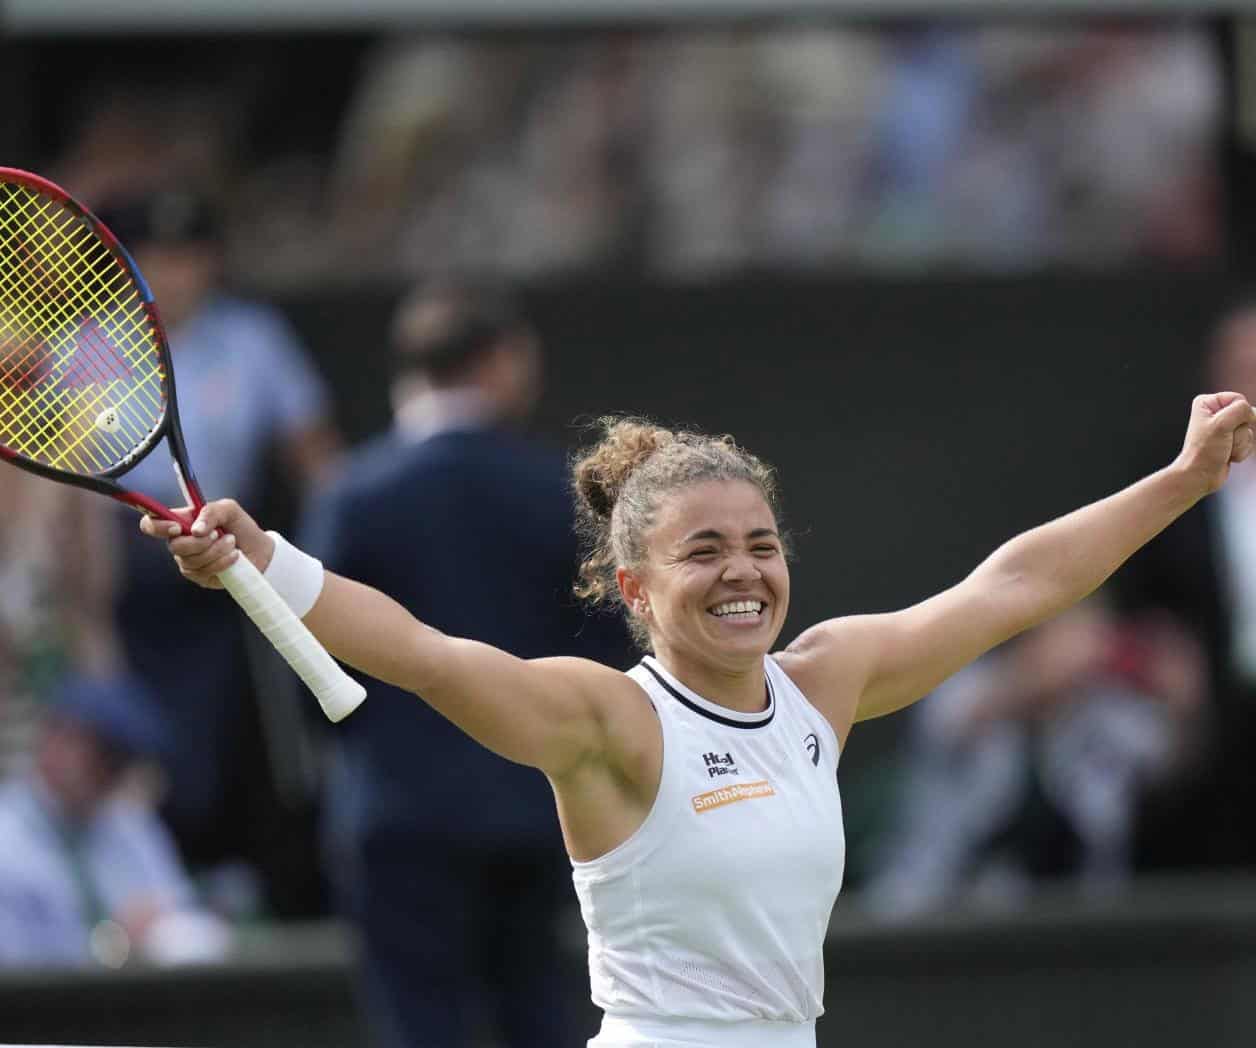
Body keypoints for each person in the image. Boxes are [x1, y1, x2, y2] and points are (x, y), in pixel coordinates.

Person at [140, 390, 1255, 1048]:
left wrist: (1180, 480)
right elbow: (424, 654)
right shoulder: (606, 722)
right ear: (632, 589)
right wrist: (262, 561)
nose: (742, 573)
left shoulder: (825, 682)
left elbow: (1009, 587)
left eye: (760, 545)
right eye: (703, 551)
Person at [298, 281, 632, 1048]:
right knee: (541, 1012)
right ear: (501, 362)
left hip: (397, 815)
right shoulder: (559, 493)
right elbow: (611, 652)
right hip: (540, 805)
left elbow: (306, 665)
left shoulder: (351, 494)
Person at [93, 185, 343, 913]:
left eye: (190, 255)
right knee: (138, 738)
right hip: (122, 568)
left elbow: (316, 456)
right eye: (157, 257)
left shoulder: (253, 337)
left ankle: (244, 884)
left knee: (243, 737)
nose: (175, 273)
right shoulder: (86, 347)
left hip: (225, 553)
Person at [862, 599, 1205, 917]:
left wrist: (1183, 704)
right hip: (935, 913)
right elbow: (959, 721)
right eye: (1067, 633)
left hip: (1074, 924)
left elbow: (1174, 762)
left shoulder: (1104, 714)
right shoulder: (965, 686)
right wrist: (1040, 682)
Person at [0, 672, 229, 967]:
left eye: (120, 758)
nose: (109, 771)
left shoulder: (131, 826)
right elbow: (14, 968)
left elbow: (180, 912)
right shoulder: (7, 838)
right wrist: (114, 944)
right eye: (101, 753)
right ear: (54, 739)